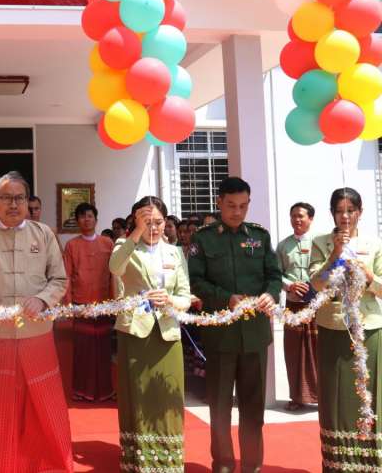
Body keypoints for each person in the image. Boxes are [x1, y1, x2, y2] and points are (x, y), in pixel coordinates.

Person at [0, 171, 72, 473]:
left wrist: (43, 300)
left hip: (38, 334)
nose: (13, 204)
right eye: (6, 198)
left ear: (27, 201)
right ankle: (0, 465)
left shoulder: (43, 234)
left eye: (19, 198)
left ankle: (47, 466)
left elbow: (59, 279)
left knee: (43, 404)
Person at [187, 177, 282, 473]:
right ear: (219, 203)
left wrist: (271, 294)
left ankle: (252, 466)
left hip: (254, 335)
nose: (237, 212)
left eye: (243, 206)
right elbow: (195, 281)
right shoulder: (203, 239)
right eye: (231, 206)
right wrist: (225, 298)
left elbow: (274, 275)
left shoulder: (260, 236)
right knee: (219, 407)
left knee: (253, 408)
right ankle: (224, 465)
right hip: (220, 335)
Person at [109, 196, 191, 471]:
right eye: (147, 222)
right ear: (135, 222)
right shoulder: (125, 246)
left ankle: (169, 462)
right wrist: (136, 232)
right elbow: (115, 267)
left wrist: (169, 300)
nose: (153, 228)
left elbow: (185, 297)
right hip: (135, 332)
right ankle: (139, 460)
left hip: (167, 332)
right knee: (138, 397)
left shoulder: (175, 253)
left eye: (158, 222)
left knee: (168, 395)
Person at [308, 188, 382, 472]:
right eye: (339, 211)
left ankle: (370, 463)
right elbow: (317, 284)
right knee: (335, 398)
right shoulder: (321, 243)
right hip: (333, 327)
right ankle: (339, 464)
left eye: (351, 211)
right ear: (332, 214)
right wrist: (335, 255)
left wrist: (370, 277)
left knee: (368, 397)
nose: (345, 216)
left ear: (360, 212)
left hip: (369, 328)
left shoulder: (374, 243)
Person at [63, 202, 115, 402]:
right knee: (83, 350)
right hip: (81, 304)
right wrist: (69, 306)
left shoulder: (107, 243)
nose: (87, 219)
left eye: (90, 216)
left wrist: (114, 304)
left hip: (103, 304)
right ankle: (81, 390)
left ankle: (105, 390)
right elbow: (66, 276)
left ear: (96, 219)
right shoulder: (71, 245)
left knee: (103, 350)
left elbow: (113, 276)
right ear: (77, 221)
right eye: (82, 216)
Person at [276, 202, 318, 411]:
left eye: (301, 216)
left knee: (317, 350)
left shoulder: (319, 243)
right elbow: (275, 273)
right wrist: (289, 285)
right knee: (293, 352)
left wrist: (314, 286)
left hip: (317, 305)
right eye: (293, 216)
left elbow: (327, 270)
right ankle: (297, 397)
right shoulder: (283, 246)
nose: (297, 220)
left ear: (311, 218)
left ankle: (321, 397)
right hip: (292, 305)